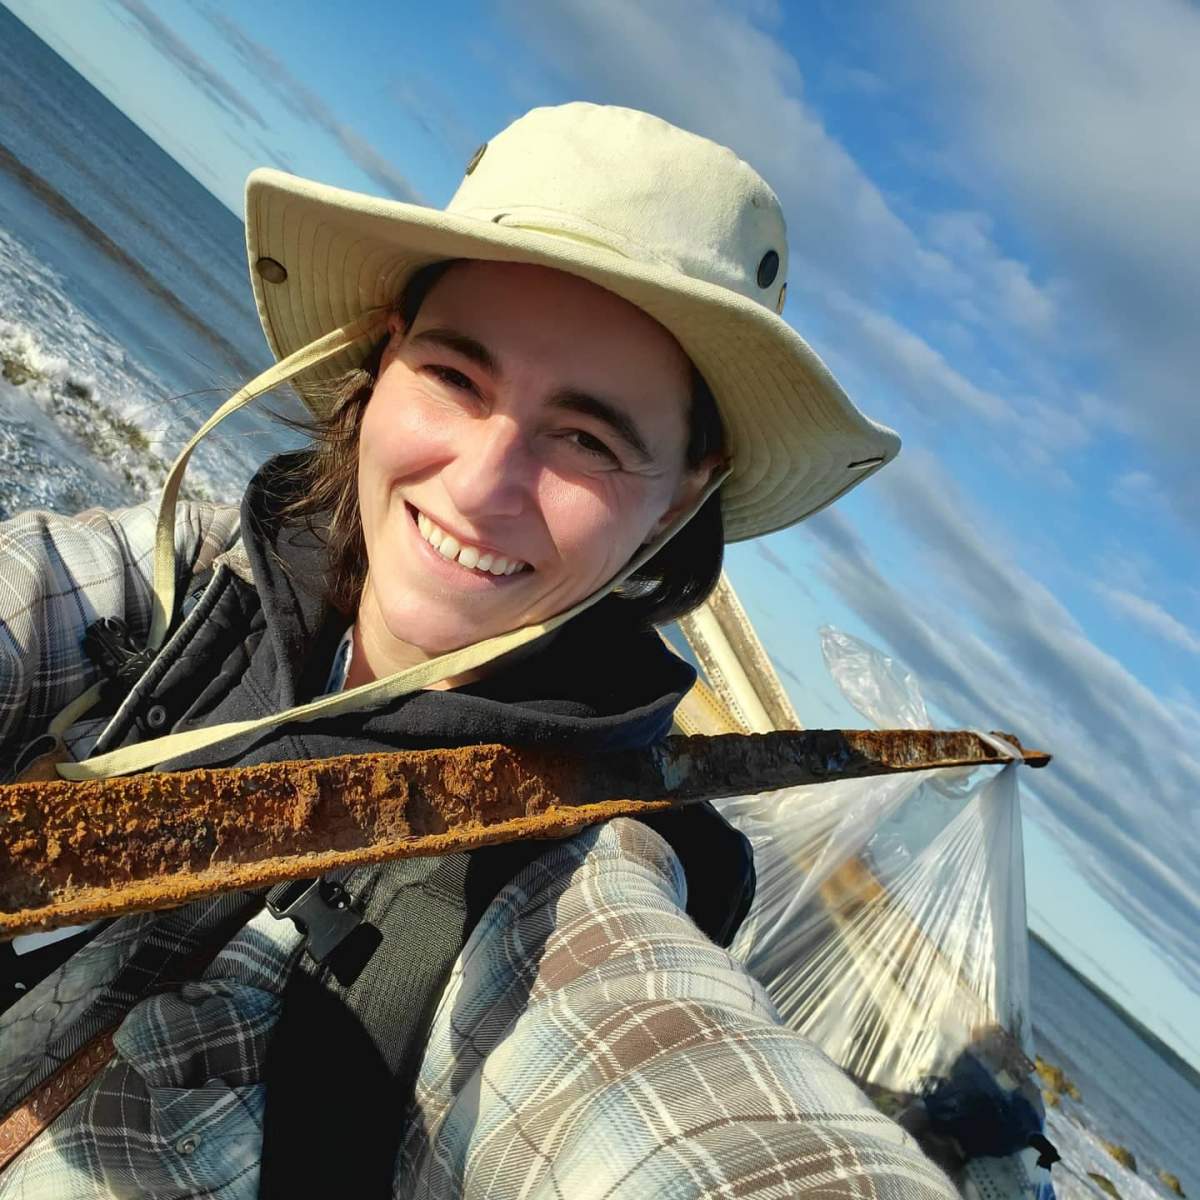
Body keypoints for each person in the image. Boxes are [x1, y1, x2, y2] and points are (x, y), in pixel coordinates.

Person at [0, 103, 954, 1199]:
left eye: (587, 438)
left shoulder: (561, 884)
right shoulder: (190, 582)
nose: (481, 484)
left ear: (679, 499)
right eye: (456, 376)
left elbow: (675, 1110)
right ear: (384, 355)